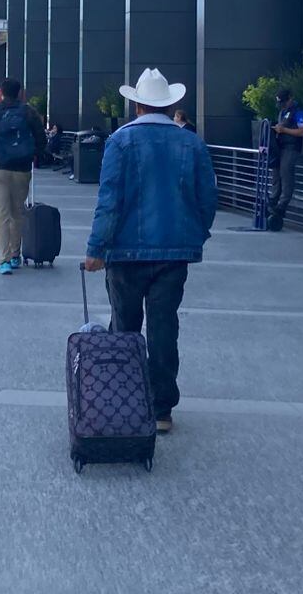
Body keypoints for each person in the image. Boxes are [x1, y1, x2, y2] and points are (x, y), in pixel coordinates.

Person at [83, 68, 217, 436]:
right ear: (170, 103)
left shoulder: (121, 141)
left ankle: (123, 400)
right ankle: (161, 409)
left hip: (124, 253)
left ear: (137, 104)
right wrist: (196, 234)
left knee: (124, 328)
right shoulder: (191, 142)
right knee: (164, 327)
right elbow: (208, 198)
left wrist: (96, 248)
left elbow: (109, 200)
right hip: (174, 253)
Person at [0, 77, 46, 274]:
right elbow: (41, 138)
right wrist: (34, 157)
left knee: (1, 215)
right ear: (20, 92)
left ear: (1, 92)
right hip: (22, 169)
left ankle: (4, 260)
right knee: (18, 213)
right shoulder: (28, 111)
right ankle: (16, 255)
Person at [267, 87, 303, 231]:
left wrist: (283, 130)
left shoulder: (299, 112)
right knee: (276, 175)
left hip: (291, 148)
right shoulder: (283, 111)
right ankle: (273, 201)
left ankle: (281, 206)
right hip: (280, 147)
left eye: (284, 102)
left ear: (290, 98)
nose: (282, 105)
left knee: (286, 174)